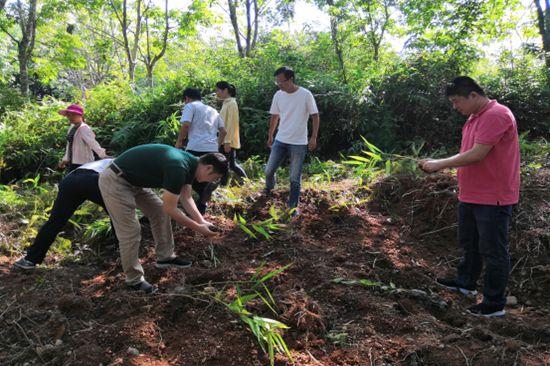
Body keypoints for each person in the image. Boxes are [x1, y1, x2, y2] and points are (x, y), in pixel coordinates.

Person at [419, 76, 520, 318]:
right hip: (472, 194)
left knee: (493, 250)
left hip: (493, 196)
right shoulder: (474, 117)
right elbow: (467, 154)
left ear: (473, 95)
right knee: (470, 243)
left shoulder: (497, 115)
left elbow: (477, 154)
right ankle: (465, 282)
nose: (455, 107)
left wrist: (439, 164)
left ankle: (494, 303)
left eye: (457, 101)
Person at [98, 144, 228, 294]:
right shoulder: (178, 166)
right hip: (116, 180)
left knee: (160, 212)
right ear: (209, 168)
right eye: (214, 178)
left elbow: (186, 197)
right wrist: (198, 229)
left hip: (135, 182)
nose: (209, 181)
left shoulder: (191, 164)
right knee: (131, 231)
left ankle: (165, 257)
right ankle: (134, 280)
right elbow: (171, 208)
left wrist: (201, 221)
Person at [13, 159, 114, 270]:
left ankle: (29, 260)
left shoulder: (113, 160)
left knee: (55, 221)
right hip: (93, 179)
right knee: (119, 216)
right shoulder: (128, 165)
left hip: (71, 179)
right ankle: (121, 254)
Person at [264, 66, 320, 214]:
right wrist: (270, 135)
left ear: (290, 79)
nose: (279, 85)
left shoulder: (305, 94)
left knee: (294, 178)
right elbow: (274, 116)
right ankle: (269, 189)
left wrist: (313, 137)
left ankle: (293, 207)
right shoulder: (278, 95)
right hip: (280, 139)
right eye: (277, 82)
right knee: (269, 171)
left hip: (299, 142)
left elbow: (315, 115)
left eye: (281, 82)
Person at [175, 88, 227, 214]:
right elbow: (224, 131)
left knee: (185, 179)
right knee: (207, 181)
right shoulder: (212, 110)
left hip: (195, 148)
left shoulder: (190, 106)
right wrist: (216, 146)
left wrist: (179, 142)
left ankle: (180, 206)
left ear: (187, 98)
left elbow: (186, 125)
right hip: (212, 150)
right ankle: (202, 208)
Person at [58, 104, 107, 172]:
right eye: (68, 115)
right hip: (73, 162)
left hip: (83, 164)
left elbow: (93, 143)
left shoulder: (84, 128)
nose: (70, 117)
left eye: (73, 115)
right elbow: (69, 145)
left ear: (80, 116)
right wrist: (65, 160)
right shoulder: (72, 127)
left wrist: (103, 155)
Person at [215, 81, 247, 185]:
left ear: (225, 90)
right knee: (230, 164)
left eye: (218, 90)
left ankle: (223, 186)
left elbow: (232, 123)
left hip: (227, 140)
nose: (217, 93)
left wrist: (227, 141)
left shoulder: (231, 104)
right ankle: (246, 183)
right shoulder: (226, 103)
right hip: (224, 139)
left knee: (225, 164)